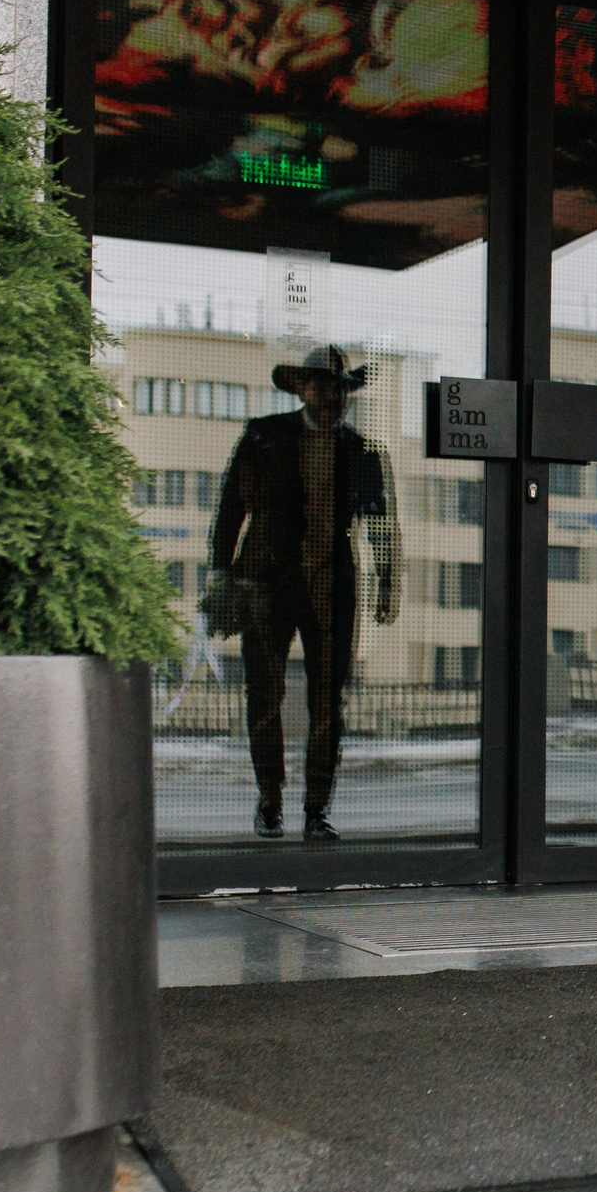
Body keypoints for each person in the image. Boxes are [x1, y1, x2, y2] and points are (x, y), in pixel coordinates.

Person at [210, 344, 402, 842]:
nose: (330, 395)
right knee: (264, 694)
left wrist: (386, 580)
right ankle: (270, 800)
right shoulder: (263, 437)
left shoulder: (361, 452)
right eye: (319, 385)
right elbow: (232, 505)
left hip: (331, 587)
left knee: (327, 699)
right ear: (301, 388)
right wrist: (219, 572)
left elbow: (379, 523)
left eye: (338, 387)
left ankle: (316, 808)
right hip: (264, 585)